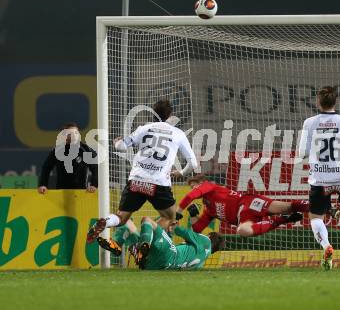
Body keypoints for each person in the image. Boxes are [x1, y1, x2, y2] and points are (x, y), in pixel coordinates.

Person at [87, 99, 198, 243]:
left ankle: (105, 222)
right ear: (170, 115)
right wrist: (181, 173)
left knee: (121, 218)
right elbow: (193, 163)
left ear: (153, 113)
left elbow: (121, 147)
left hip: (137, 180)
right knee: (170, 218)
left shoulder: (144, 128)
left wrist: (116, 142)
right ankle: (143, 243)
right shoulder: (178, 133)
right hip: (158, 183)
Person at [296, 86, 340, 270]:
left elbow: (302, 152)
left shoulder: (309, 123)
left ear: (318, 102)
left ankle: (326, 246)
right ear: (335, 101)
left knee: (315, 216)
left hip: (320, 178)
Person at [176, 174, 309, 237]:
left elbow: (190, 196)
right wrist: (193, 216)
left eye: (195, 186)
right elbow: (197, 229)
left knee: (289, 206)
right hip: (244, 218)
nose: (193, 190)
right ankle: (282, 219)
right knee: (243, 231)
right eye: (192, 188)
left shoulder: (210, 186)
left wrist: (179, 210)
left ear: (203, 183)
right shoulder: (209, 210)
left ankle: (322, 206)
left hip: (248, 203)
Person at [98, 216, 224, 270]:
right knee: (127, 223)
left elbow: (187, 233)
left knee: (146, 220)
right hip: (156, 265)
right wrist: (168, 233)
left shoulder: (205, 240)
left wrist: (175, 227)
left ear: (209, 236)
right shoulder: (201, 262)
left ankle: (141, 249)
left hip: (170, 254)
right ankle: (120, 246)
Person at [37, 122, 98, 194]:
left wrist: (94, 185)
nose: (74, 136)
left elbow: (96, 168)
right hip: (61, 193)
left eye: (76, 133)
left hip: (82, 193)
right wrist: (43, 185)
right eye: (70, 134)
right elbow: (46, 168)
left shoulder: (86, 150)